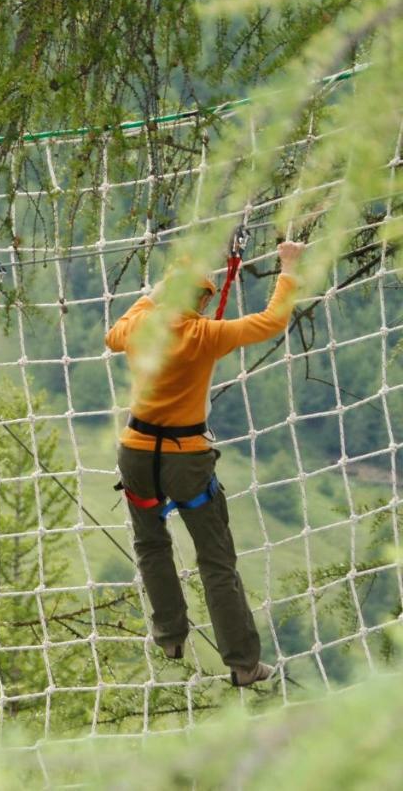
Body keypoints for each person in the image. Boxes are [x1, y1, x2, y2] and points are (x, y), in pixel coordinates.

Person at [106, 240, 305, 686]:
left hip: (136, 452)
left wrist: (152, 296)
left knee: (151, 543)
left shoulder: (141, 326)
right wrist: (288, 268)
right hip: (186, 460)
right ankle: (242, 663)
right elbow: (272, 321)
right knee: (216, 560)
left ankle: (170, 635)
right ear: (201, 299)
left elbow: (112, 333)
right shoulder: (205, 335)